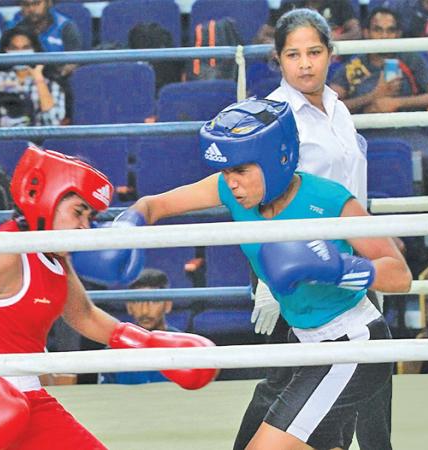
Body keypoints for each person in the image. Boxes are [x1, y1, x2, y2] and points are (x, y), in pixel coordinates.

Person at [123, 97, 412, 450]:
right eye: (226, 171)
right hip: (304, 347)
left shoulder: (330, 199)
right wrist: (131, 220)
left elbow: (399, 274)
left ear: (280, 159)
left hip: (350, 344)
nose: (231, 183)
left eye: (241, 170)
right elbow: (156, 204)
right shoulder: (229, 189)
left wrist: (339, 270)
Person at [0, 145, 218, 450]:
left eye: (90, 216)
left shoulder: (56, 256)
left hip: (23, 397)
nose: (85, 226)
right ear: (48, 200)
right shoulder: (5, 253)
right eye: (78, 212)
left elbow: (83, 315)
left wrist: (148, 344)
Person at [263, 9, 398, 449]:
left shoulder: (338, 108)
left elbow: (352, 186)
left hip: (355, 254)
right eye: (293, 54)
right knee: (293, 382)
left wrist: (377, 242)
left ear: (330, 54)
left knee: (371, 366)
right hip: (300, 264)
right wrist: (267, 276)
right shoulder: (274, 119)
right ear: (278, 59)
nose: (305, 64)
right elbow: (262, 199)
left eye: (314, 52)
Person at [328, 7, 428, 188]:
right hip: (365, 135)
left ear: (398, 33)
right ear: (366, 32)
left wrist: (395, 102)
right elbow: (329, 106)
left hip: (410, 133)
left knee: (423, 162)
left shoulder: (411, 58)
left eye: (390, 30)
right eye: (378, 30)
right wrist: (373, 96)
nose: (384, 35)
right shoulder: (354, 65)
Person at [0, 26, 65, 128]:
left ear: (35, 49)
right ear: (6, 50)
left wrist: (39, 80)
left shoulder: (50, 82)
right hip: (0, 139)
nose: (20, 53)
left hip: (34, 141)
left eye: (26, 48)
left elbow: (53, 123)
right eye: (14, 48)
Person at [99, 268, 181, 385]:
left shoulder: (183, 349)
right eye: (138, 301)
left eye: (153, 301)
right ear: (129, 306)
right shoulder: (112, 353)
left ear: (167, 305)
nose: (145, 310)